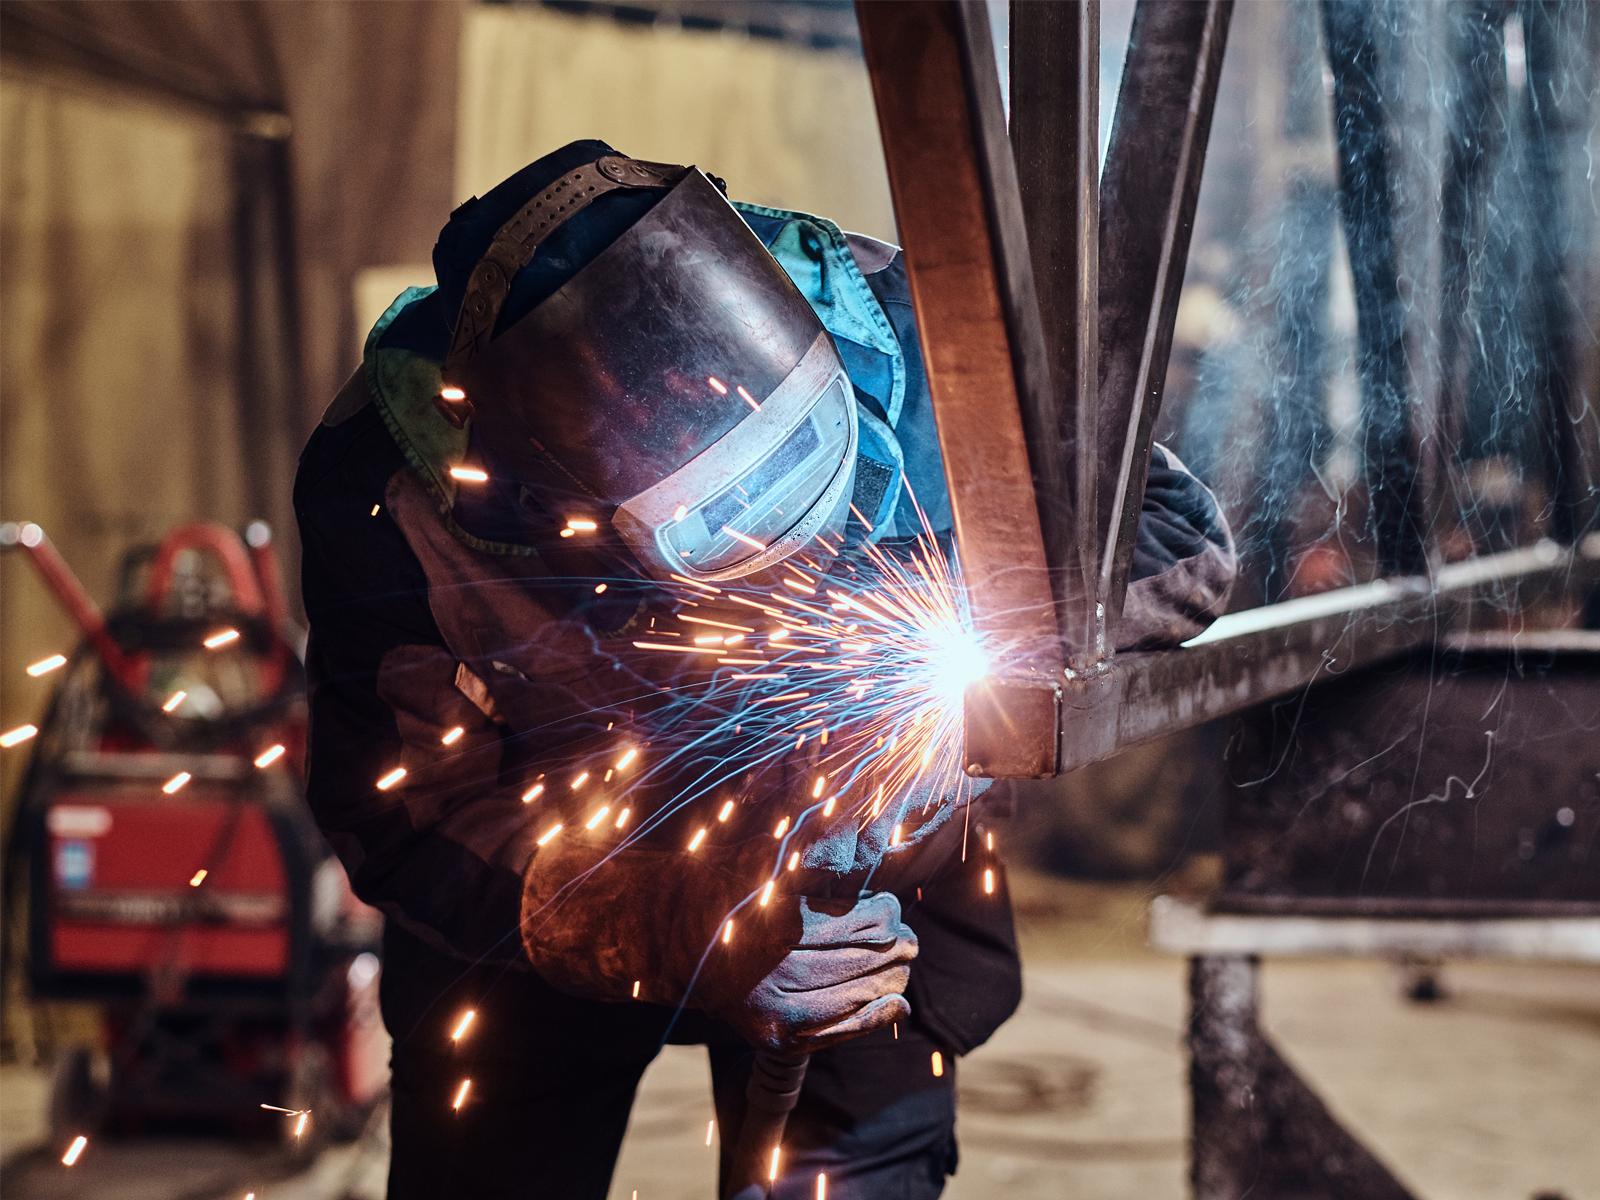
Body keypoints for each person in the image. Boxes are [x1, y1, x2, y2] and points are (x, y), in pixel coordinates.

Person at [294, 140, 1235, 1199]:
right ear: (557, 493)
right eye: (715, 532)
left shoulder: (923, 336)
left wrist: (943, 637)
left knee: (849, 1175)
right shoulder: (390, 478)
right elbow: (406, 811)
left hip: (864, 911)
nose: (768, 557)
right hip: (555, 891)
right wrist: (692, 927)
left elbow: (1168, 537)